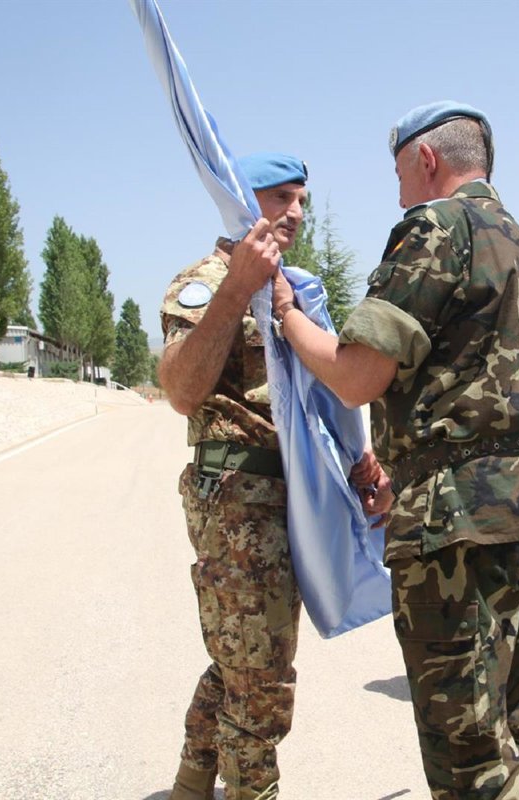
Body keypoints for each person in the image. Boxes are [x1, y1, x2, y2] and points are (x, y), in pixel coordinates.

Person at [269, 101, 519, 800]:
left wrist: (287, 314)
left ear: (428, 159)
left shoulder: (435, 227)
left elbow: (356, 376)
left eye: (400, 175)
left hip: (462, 523)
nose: (399, 195)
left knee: (468, 754)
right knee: (517, 725)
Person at [157, 153, 374, 800]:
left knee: (243, 656)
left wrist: (356, 457)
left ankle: (192, 780)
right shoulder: (203, 282)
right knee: (262, 677)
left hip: (295, 493)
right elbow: (181, 391)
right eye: (280, 197)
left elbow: (317, 391)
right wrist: (236, 290)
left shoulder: (298, 290)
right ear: (240, 200)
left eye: (302, 200)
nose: (297, 212)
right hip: (237, 496)